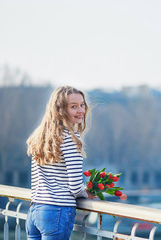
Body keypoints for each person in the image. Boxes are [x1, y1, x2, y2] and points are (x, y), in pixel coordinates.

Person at [26, 86, 96, 240]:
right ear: (60, 110)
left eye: (82, 105)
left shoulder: (41, 136)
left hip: (35, 210)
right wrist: (88, 193)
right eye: (73, 106)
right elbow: (75, 187)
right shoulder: (71, 139)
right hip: (56, 212)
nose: (81, 111)